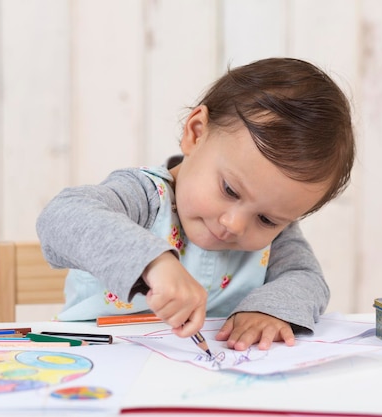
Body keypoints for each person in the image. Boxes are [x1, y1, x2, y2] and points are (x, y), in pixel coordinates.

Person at [36, 57, 355, 351]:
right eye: (230, 190)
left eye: (267, 220)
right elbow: (62, 216)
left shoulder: (277, 236)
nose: (235, 224)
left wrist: (266, 310)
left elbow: (306, 278)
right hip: (98, 360)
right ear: (196, 133)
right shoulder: (145, 198)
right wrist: (154, 263)